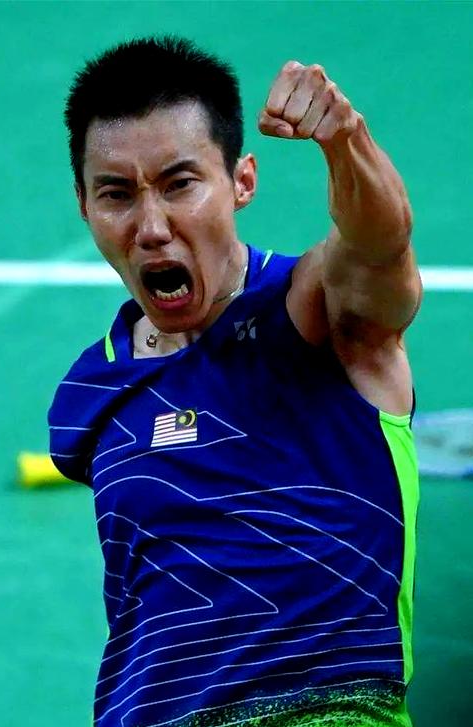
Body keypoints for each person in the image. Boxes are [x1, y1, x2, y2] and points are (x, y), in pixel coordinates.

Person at [49, 35, 422, 727]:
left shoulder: (320, 311)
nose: (151, 227)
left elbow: (381, 244)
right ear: (83, 203)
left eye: (180, 184)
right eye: (116, 194)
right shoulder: (89, 392)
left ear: (242, 181)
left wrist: (345, 140)